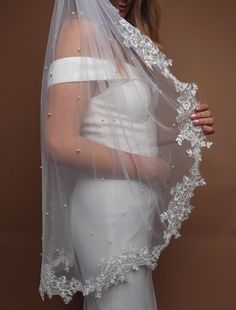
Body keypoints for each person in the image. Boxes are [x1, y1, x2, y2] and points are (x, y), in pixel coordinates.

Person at [39, 1, 215, 309]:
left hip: (129, 209)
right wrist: (145, 168)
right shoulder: (81, 31)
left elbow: (119, 126)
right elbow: (59, 141)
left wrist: (183, 128)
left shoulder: (118, 37)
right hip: (107, 210)